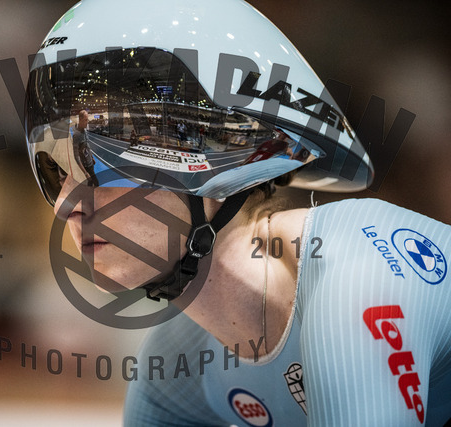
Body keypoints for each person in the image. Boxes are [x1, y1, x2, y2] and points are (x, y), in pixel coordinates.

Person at [25, 0, 451, 425]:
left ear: (224, 154)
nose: (64, 206)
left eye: (102, 160)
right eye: (55, 171)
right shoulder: (174, 363)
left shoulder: (359, 273)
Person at [72, 109, 99, 186]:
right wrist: (85, 173)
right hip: (86, 166)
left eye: (87, 120)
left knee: (90, 182)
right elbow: (76, 157)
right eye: (85, 120)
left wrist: (92, 157)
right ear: (80, 120)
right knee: (96, 183)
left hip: (90, 163)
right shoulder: (76, 135)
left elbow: (87, 146)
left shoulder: (85, 131)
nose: (87, 122)